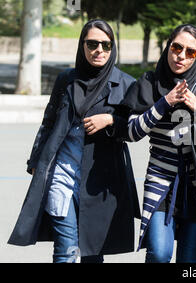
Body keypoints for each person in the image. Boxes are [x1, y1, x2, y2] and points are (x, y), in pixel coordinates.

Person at [8, 19, 140, 263]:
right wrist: (37, 160)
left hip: (101, 183)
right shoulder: (66, 79)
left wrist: (110, 121)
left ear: (113, 48)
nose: (99, 50)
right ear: (82, 46)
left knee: (92, 254)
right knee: (66, 251)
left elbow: (134, 130)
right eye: (92, 44)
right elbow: (48, 121)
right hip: (63, 176)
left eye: (106, 45)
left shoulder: (126, 84)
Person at [121, 24, 196, 263]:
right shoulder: (149, 82)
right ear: (168, 47)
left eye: (190, 52)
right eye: (176, 47)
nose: (181, 56)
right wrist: (164, 103)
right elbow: (131, 132)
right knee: (159, 254)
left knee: (189, 260)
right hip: (161, 180)